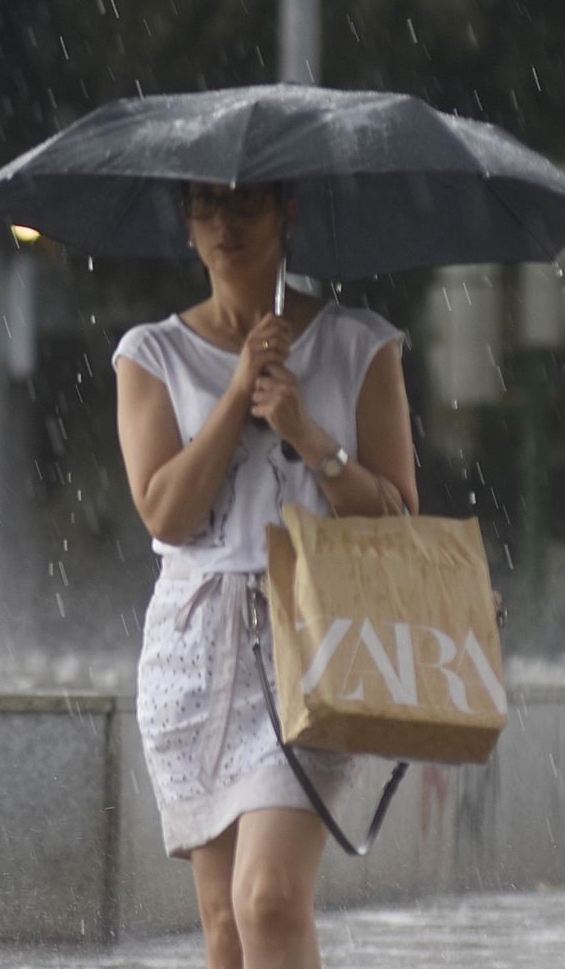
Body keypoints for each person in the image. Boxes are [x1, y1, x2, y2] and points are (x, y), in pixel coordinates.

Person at [112, 180, 417, 969]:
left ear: (287, 210)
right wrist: (238, 388)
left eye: (244, 205)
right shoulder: (151, 354)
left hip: (315, 641)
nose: (224, 226)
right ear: (184, 222)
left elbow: (398, 522)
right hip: (194, 647)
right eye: (203, 206)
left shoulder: (360, 345)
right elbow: (166, 515)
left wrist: (306, 433)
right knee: (224, 926)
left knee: (270, 900)